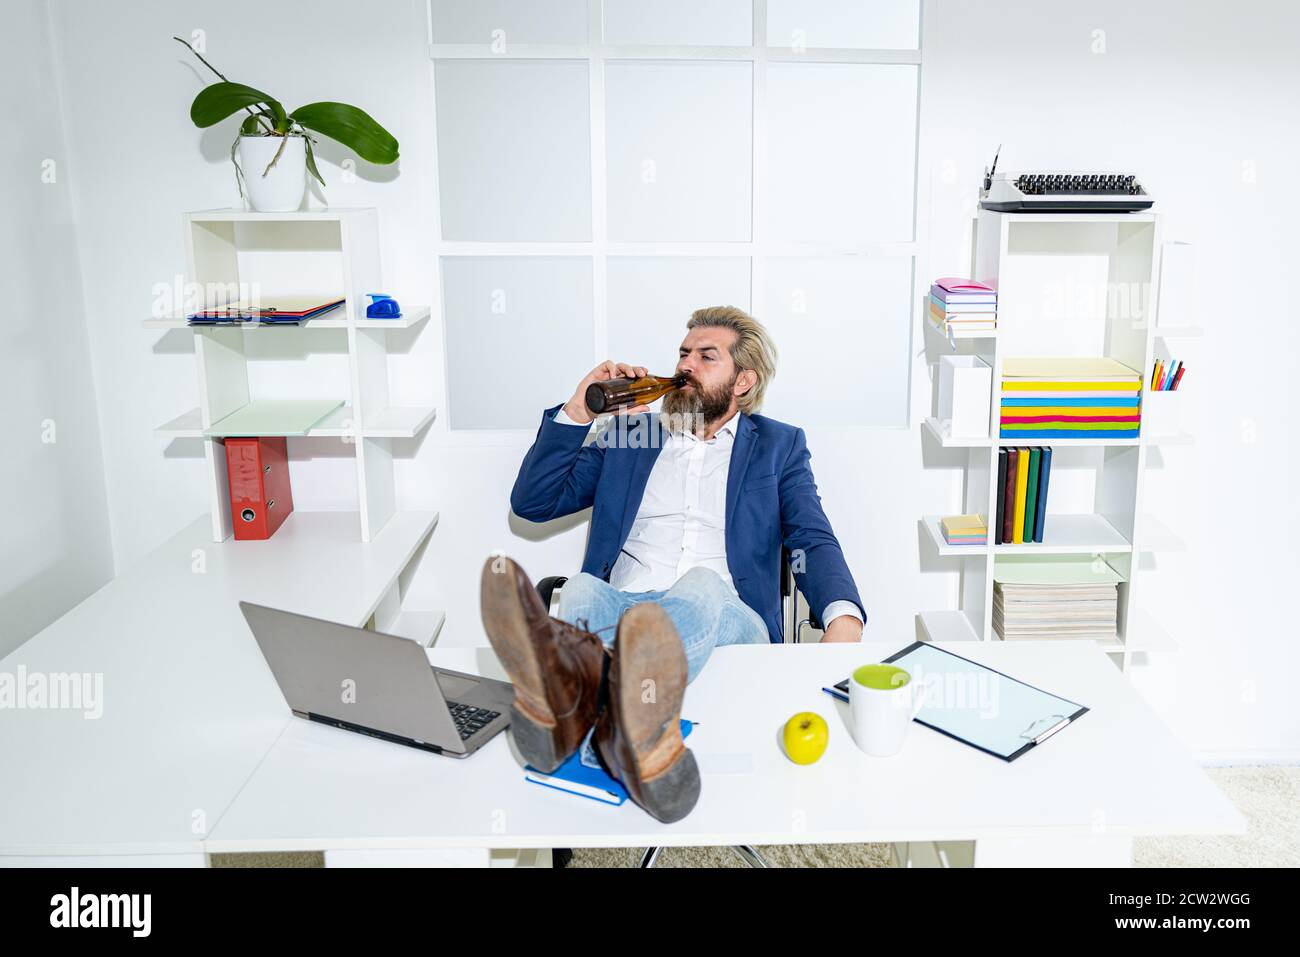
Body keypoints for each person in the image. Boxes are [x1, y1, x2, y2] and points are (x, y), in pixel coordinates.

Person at [479, 305, 865, 823]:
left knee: (700, 585)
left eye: (707, 357)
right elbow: (533, 502)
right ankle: (628, 722)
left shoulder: (778, 446)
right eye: (683, 354)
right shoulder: (629, 436)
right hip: (625, 608)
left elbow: (810, 537)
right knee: (580, 592)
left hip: (725, 617)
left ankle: (569, 699)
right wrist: (579, 409)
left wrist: (842, 617)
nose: (686, 365)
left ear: (743, 382)